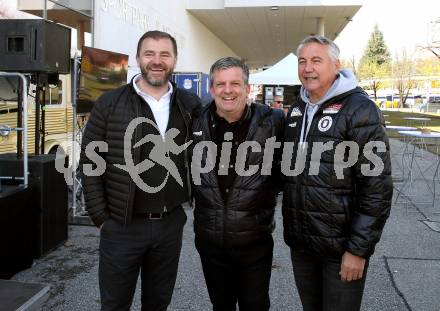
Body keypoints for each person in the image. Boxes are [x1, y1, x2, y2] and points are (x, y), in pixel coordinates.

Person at [80, 30, 201, 311]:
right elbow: (90, 162)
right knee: (114, 304)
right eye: (149, 54)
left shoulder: (190, 104)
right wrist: (101, 218)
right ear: (138, 58)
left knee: (158, 303)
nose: (156, 61)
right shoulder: (110, 103)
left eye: (164, 54)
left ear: (174, 60)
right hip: (122, 226)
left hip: (170, 223)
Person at [282, 35, 392, 311]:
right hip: (303, 245)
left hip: (341, 249)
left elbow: (376, 187)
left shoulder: (360, 109)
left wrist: (358, 250)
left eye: (316, 61)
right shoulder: (297, 109)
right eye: (303, 61)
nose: (308, 68)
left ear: (336, 65)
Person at [190, 57, 284, 311]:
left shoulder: (273, 122)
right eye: (220, 84)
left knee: (255, 305)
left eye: (235, 83)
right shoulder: (195, 122)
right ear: (211, 89)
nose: (228, 90)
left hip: (254, 241)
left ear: (247, 87)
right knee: (221, 305)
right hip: (210, 241)